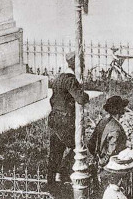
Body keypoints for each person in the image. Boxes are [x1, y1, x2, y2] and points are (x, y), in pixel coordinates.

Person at [47, 51, 89, 187]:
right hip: (65, 122)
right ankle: (63, 172)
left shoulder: (59, 78)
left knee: (55, 151)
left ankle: (51, 181)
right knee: (78, 147)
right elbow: (81, 98)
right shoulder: (71, 80)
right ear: (76, 66)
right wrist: (85, 94)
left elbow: (52, 100)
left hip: (55, 120)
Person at [88, 96, 128, 190]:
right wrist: (103, 163)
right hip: (110, 169)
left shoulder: (103, 121)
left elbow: (90, 143)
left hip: (98, 161)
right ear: (119, 110)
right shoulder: (116, 129)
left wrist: (97, 156)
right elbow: (111, 151)